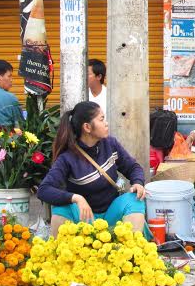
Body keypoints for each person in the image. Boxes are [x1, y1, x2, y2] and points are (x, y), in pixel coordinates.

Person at [38, 101, 146, 238]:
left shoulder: (110, 144)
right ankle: (60, 255)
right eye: (101, 119)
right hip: (84, 218)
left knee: (135, 199)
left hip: (111, 213)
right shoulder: (68, 158)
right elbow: (44, 190)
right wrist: (76, 198)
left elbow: (133, 167)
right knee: (61, 208)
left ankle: (131, 252)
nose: (106, 123)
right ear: (87, 127)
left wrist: (138, 182)